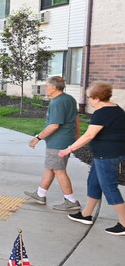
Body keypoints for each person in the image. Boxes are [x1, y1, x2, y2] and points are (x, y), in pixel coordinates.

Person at [59, 81, 125, 236]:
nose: (88, 100)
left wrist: (68, 149)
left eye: (89, 97)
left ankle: (124, 223)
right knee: (94, 182)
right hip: (106, 155)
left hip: (107, 156)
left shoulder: (102, 113)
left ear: (96, 98)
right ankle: (86, 214)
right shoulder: (116, 109)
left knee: (109, 187)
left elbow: (89, 135)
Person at [25, 76, 81, 211]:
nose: (45, 88)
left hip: (57, 143)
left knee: (59, 170)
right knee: (50, 168)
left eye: (46, 86)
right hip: (64, 140)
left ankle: (71, 200)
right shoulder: (69, 99)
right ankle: (40, 194)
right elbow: (76, 118)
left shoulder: (57, 102)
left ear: (54, 88)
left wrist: (37, 138)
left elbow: (54, 125)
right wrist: (76, 136)